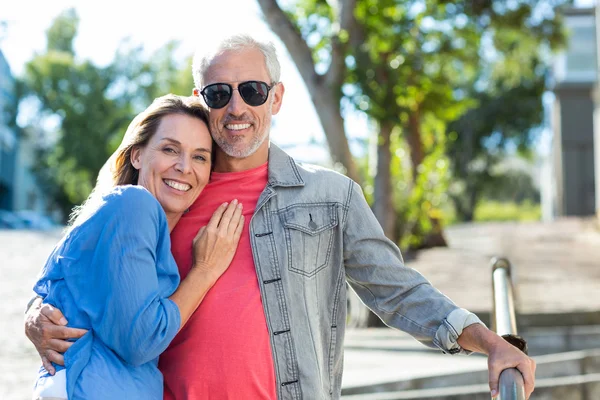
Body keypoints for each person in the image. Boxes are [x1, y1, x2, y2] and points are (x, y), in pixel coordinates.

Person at [26, 35, 536, 399]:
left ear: (276, 97)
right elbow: (81, 268)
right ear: (202, 101)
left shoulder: (331, 196)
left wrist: (490, 342)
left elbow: (396, 289)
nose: (237, 107)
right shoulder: (166, 193)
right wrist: (36, 317)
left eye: (251, 90)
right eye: (219, 93)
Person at [29, 94, 244, 400]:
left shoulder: (132, 221)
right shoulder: (133, 204)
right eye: (170, 149)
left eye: (199, 156)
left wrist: (34, 312)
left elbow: (52, 285)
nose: (184, 167)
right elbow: (141, 340)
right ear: (137, 156)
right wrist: (205, 271)